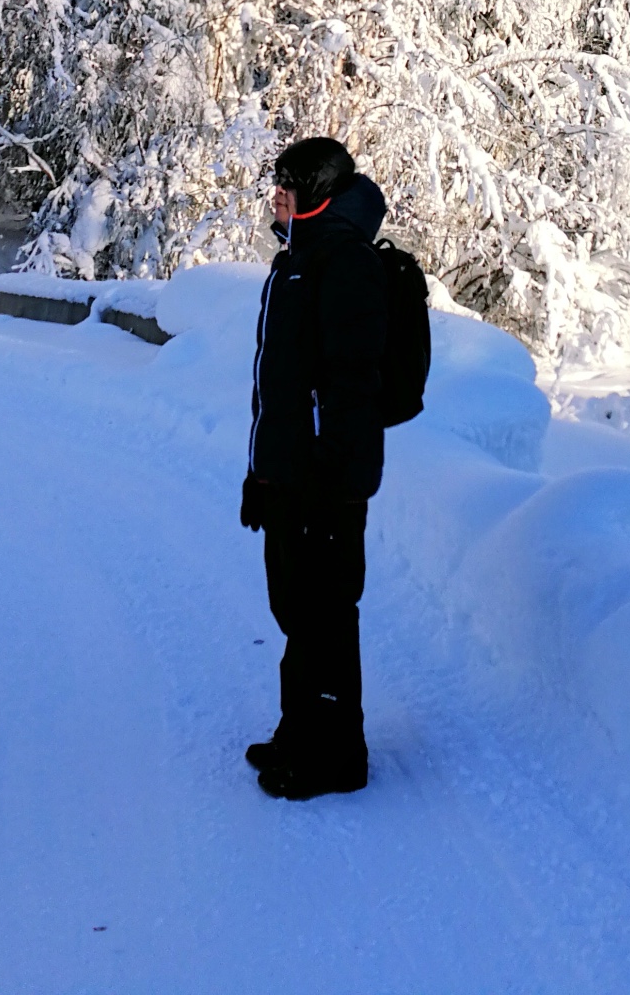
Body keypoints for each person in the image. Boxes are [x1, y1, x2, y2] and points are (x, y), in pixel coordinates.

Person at [240, 135, 389, 800]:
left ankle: (336, 756)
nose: (278, 191)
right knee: (297, 611)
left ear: (320, 191)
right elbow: (282, 390)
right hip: (292, 480)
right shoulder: (297, 262)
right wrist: (262, 475)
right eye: (277, 181)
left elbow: (349, 389)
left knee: (324, 615)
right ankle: (302, 729)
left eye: (290, 183)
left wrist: (328, 479)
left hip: (325, 486)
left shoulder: (343, 265)